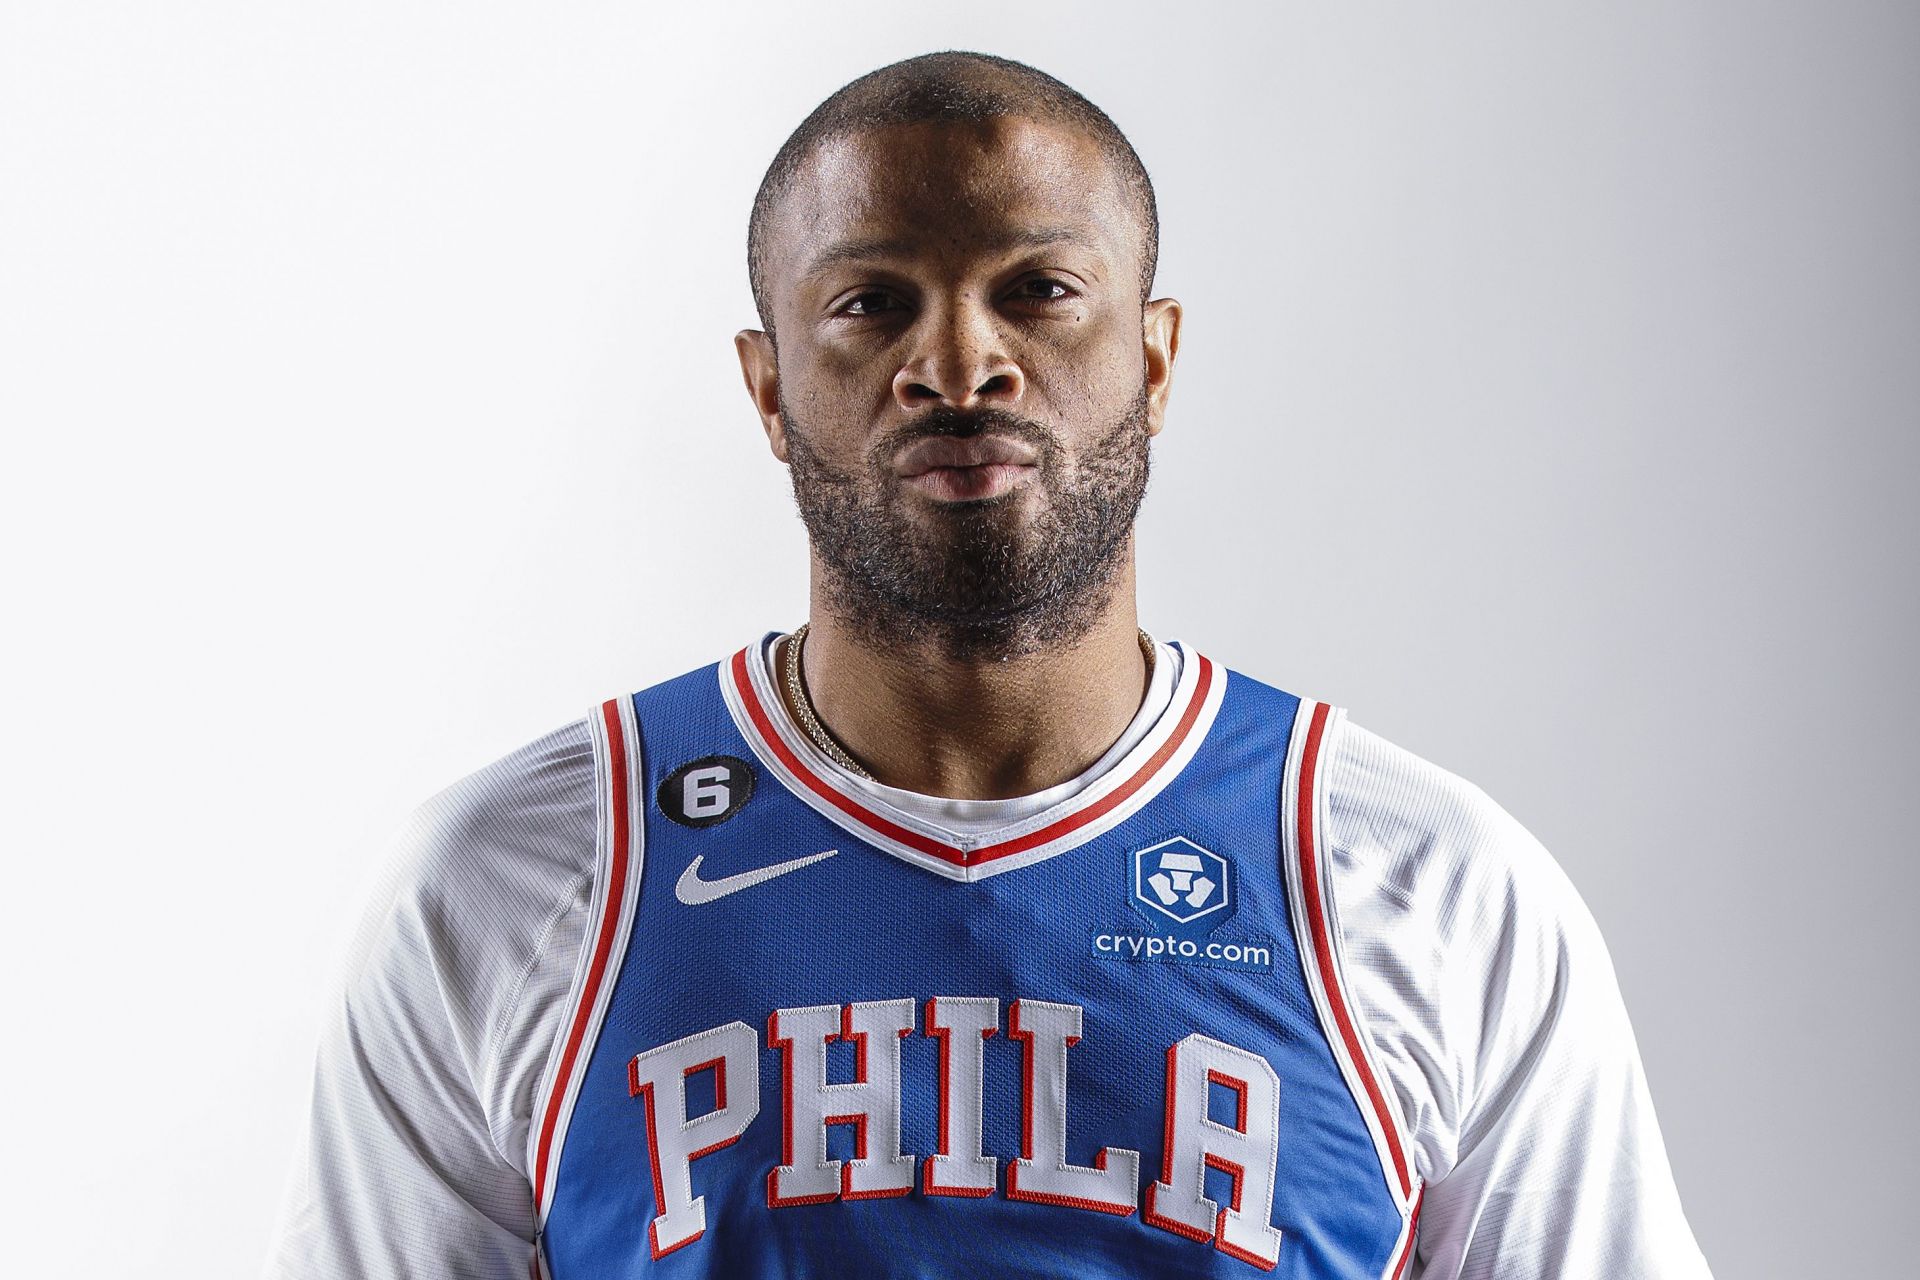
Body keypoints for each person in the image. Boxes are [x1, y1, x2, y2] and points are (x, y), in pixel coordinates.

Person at [266, 51, 1714, 1279]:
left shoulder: (1426, 889)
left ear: (1155, 360)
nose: (958, 365)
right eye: (871, 303)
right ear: (769, 388)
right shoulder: (516, 881)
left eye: (1037, 292)